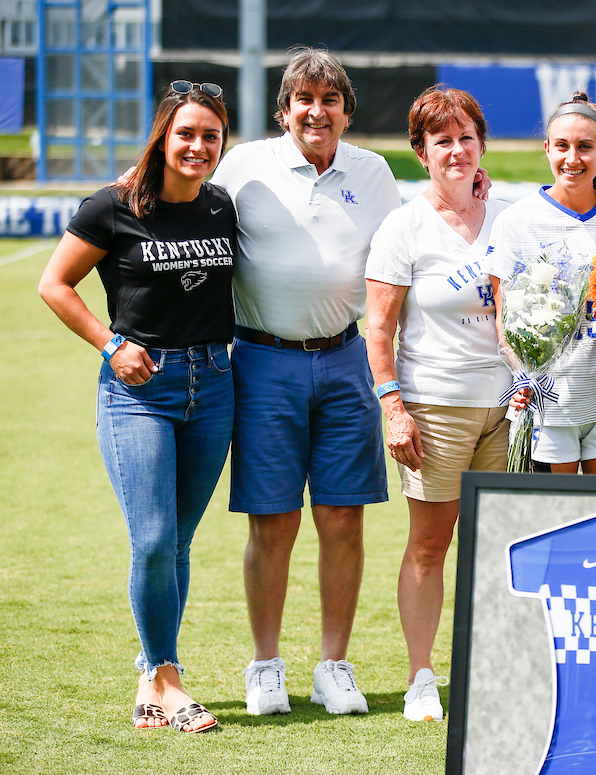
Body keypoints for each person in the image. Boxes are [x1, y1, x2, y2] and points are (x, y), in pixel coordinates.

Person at [38, 81, 236, 733]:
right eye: (186, 133)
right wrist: (109, 343)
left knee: (176, 544)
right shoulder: (112, 207)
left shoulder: (221, 207)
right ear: (163, 137)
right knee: (151, 541)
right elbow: (54, 284)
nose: (198, 146)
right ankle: (171, 680)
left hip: (213, 385)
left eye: (210, 135)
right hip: (139, 392)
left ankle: (152, 678)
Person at [209, 47, 401, 717]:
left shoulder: (373, 173)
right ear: (284, 110)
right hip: (262, 361)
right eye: (303, 100)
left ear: (346, 111)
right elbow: (179, 204)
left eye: (329, 100)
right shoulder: (244, 167)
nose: (315, 112)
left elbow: (407, 245)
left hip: (347, 359)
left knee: (343, 517)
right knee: (273, 520)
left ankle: (334, 664)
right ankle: (265, 665)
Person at [363, 86, 511, 722]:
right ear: (422, 152)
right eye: (441, 141)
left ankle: (493, 669)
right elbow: (379, 328)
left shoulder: (510, 215)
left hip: (514, 408)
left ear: (482, 145)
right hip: (435, 406)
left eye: (465, 138)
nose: (456, 151)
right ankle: (422, 677)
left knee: (502, 543)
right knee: (431, 542)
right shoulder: (403, 225)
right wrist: (393, 406)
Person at [484, 93, 596, 475]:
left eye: (585, 147)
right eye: (562, 146)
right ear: (547, 149)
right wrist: (523, 373)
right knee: (550, 525)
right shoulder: (516, 222)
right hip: (546, 405)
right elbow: (504, 315)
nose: (573, 158)